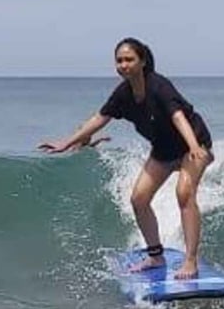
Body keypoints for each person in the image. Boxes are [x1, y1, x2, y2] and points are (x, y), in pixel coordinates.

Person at [39, 38, 214, 279]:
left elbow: (177, 116)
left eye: (129, 59)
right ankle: (155, 256)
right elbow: (99, 118)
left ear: (142, 62)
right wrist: (67, 142)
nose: (123, 65)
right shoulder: (123, 94)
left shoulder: (159, 86)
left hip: (192, 145)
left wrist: (194, 146)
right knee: (139, 199)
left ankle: (191, 261)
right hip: (163, 150)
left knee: (184, 192)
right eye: (119, 60)